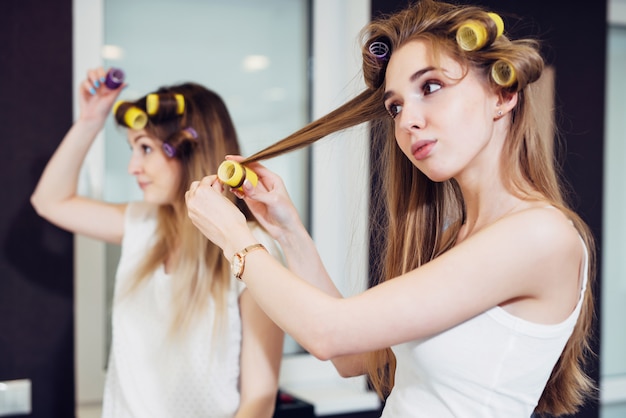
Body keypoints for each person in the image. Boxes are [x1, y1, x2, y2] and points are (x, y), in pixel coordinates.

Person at [184, 0, 597, 417]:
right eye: (395, 106)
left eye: (431, 87)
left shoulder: (540, 236)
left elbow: (326, 332)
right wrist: (288, 230)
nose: (406, 121)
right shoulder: (456, 238)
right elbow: (349, 357)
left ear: (503, 94)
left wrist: (232, 236)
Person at [30, 68, 284, 418]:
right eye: (133, 148)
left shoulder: (250, 249)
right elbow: (50, 201)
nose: (134, 166)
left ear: (188, 150)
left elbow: (260, 397)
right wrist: (91, 119)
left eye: (146, 148)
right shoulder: (142, 225)